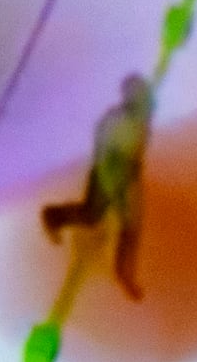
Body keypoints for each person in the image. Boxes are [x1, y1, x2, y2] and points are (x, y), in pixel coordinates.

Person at [39, 69, 158, 302]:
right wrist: (113, 183)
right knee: (92, 214)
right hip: (109, 172)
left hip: (127, 173)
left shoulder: (140, 121)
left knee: (130, 227)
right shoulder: (117, 122)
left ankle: (123, 273)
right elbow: (107, 155)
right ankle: (53, 216)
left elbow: (136, 150)